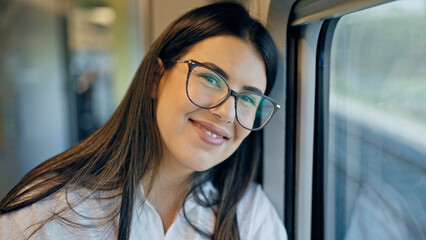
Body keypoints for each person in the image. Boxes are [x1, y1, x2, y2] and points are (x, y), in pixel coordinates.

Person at [0, 2, 286, 239]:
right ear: (155, 78)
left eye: (248, 99)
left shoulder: (251, 218)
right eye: (211, 78)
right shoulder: (49, 211)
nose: (225, 112)